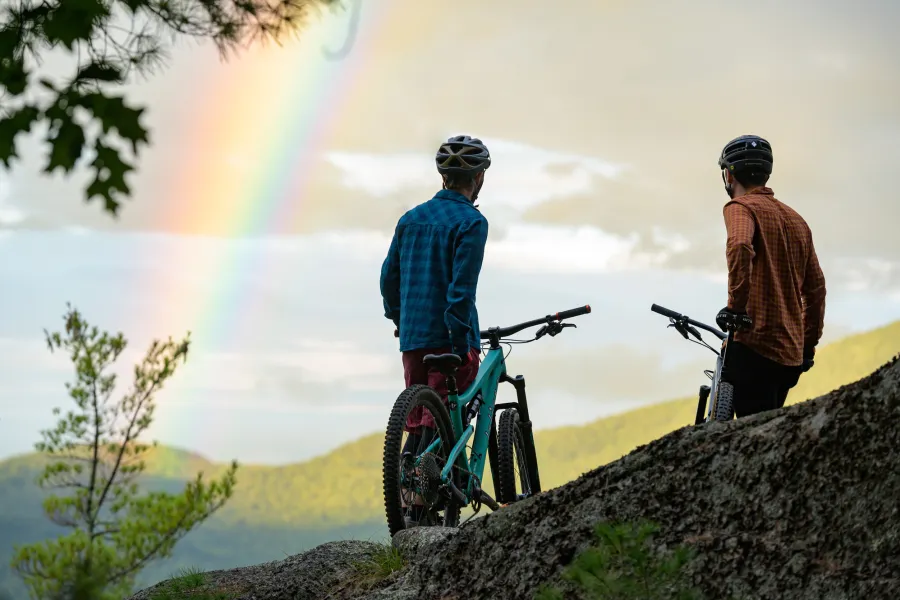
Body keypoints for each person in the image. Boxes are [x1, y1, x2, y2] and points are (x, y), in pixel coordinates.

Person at [379, 134, 490, 524]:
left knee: (420, 415)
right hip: (449, 338)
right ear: (476, 179)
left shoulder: (409, 220)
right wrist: (461, 342)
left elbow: (388, 279)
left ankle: (410, 494)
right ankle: (423, 500)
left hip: (412, 339)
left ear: (443, 175)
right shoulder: (472, 223)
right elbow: (461, 291)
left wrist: (399, 319)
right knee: (444, 415)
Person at [714, 134, 827, 418]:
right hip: (789, 356)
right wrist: (807, 346)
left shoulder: (741, 207)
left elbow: (740, 244)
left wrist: (736, 309)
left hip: (754, 345)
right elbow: (816, 289)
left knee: (743, 436)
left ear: (729, 175)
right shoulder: (797, 220)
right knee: (767, 424)